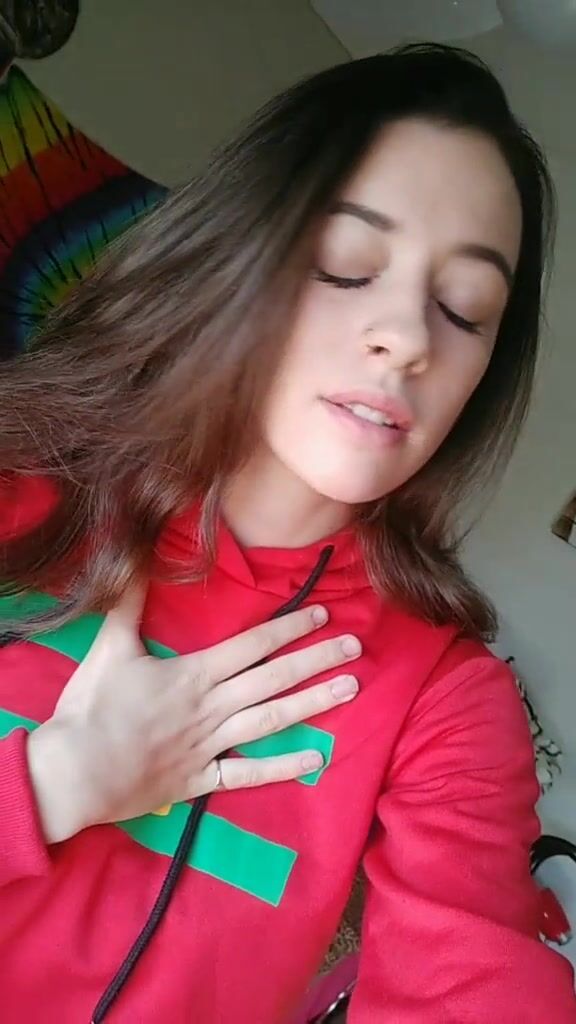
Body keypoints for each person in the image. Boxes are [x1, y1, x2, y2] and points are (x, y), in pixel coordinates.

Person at [0, 41, 573, 1024]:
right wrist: (54, 785)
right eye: (349, 265)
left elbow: (475, 982)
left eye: (464, 309)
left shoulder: (445, 701)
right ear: (243, 250)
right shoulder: (23, 481)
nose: (410, 338)